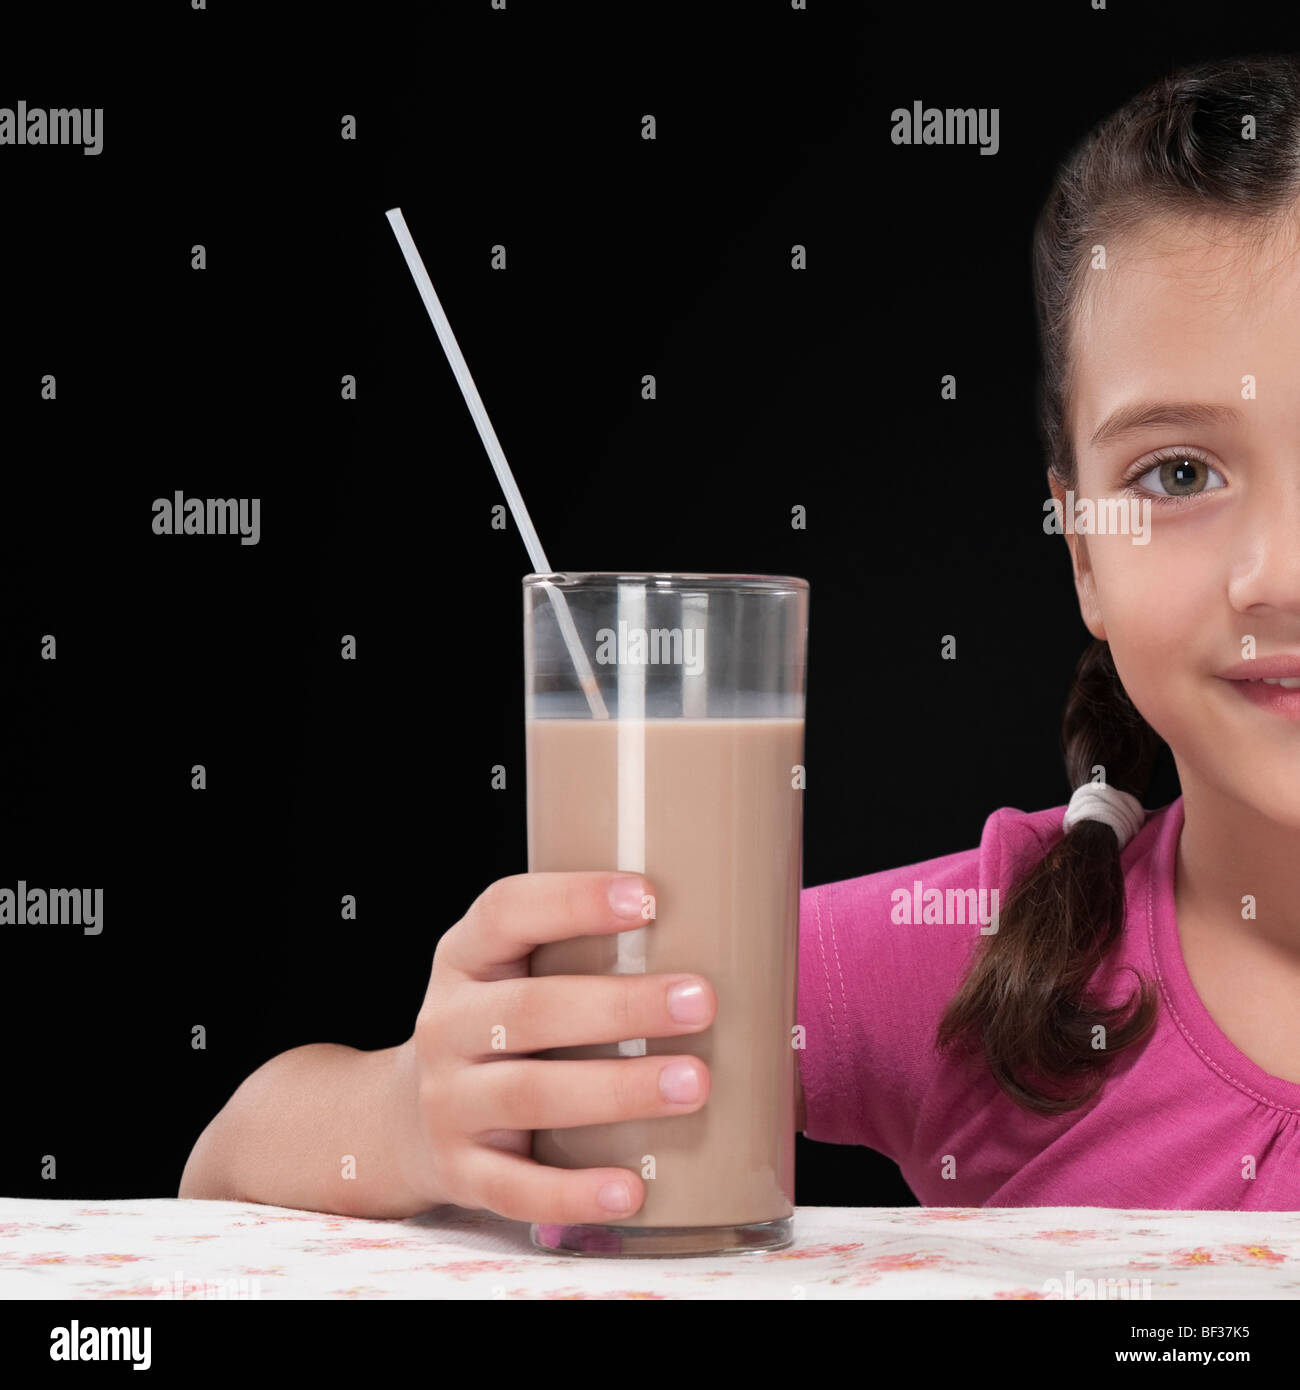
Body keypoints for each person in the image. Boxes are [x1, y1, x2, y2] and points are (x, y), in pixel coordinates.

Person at [180, 52, 1300, 1218]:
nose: (1279, 572)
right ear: (1082, 551)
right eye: (1178, 472)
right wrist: (419, 1112)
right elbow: (230, 1162)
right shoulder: (995, 957)